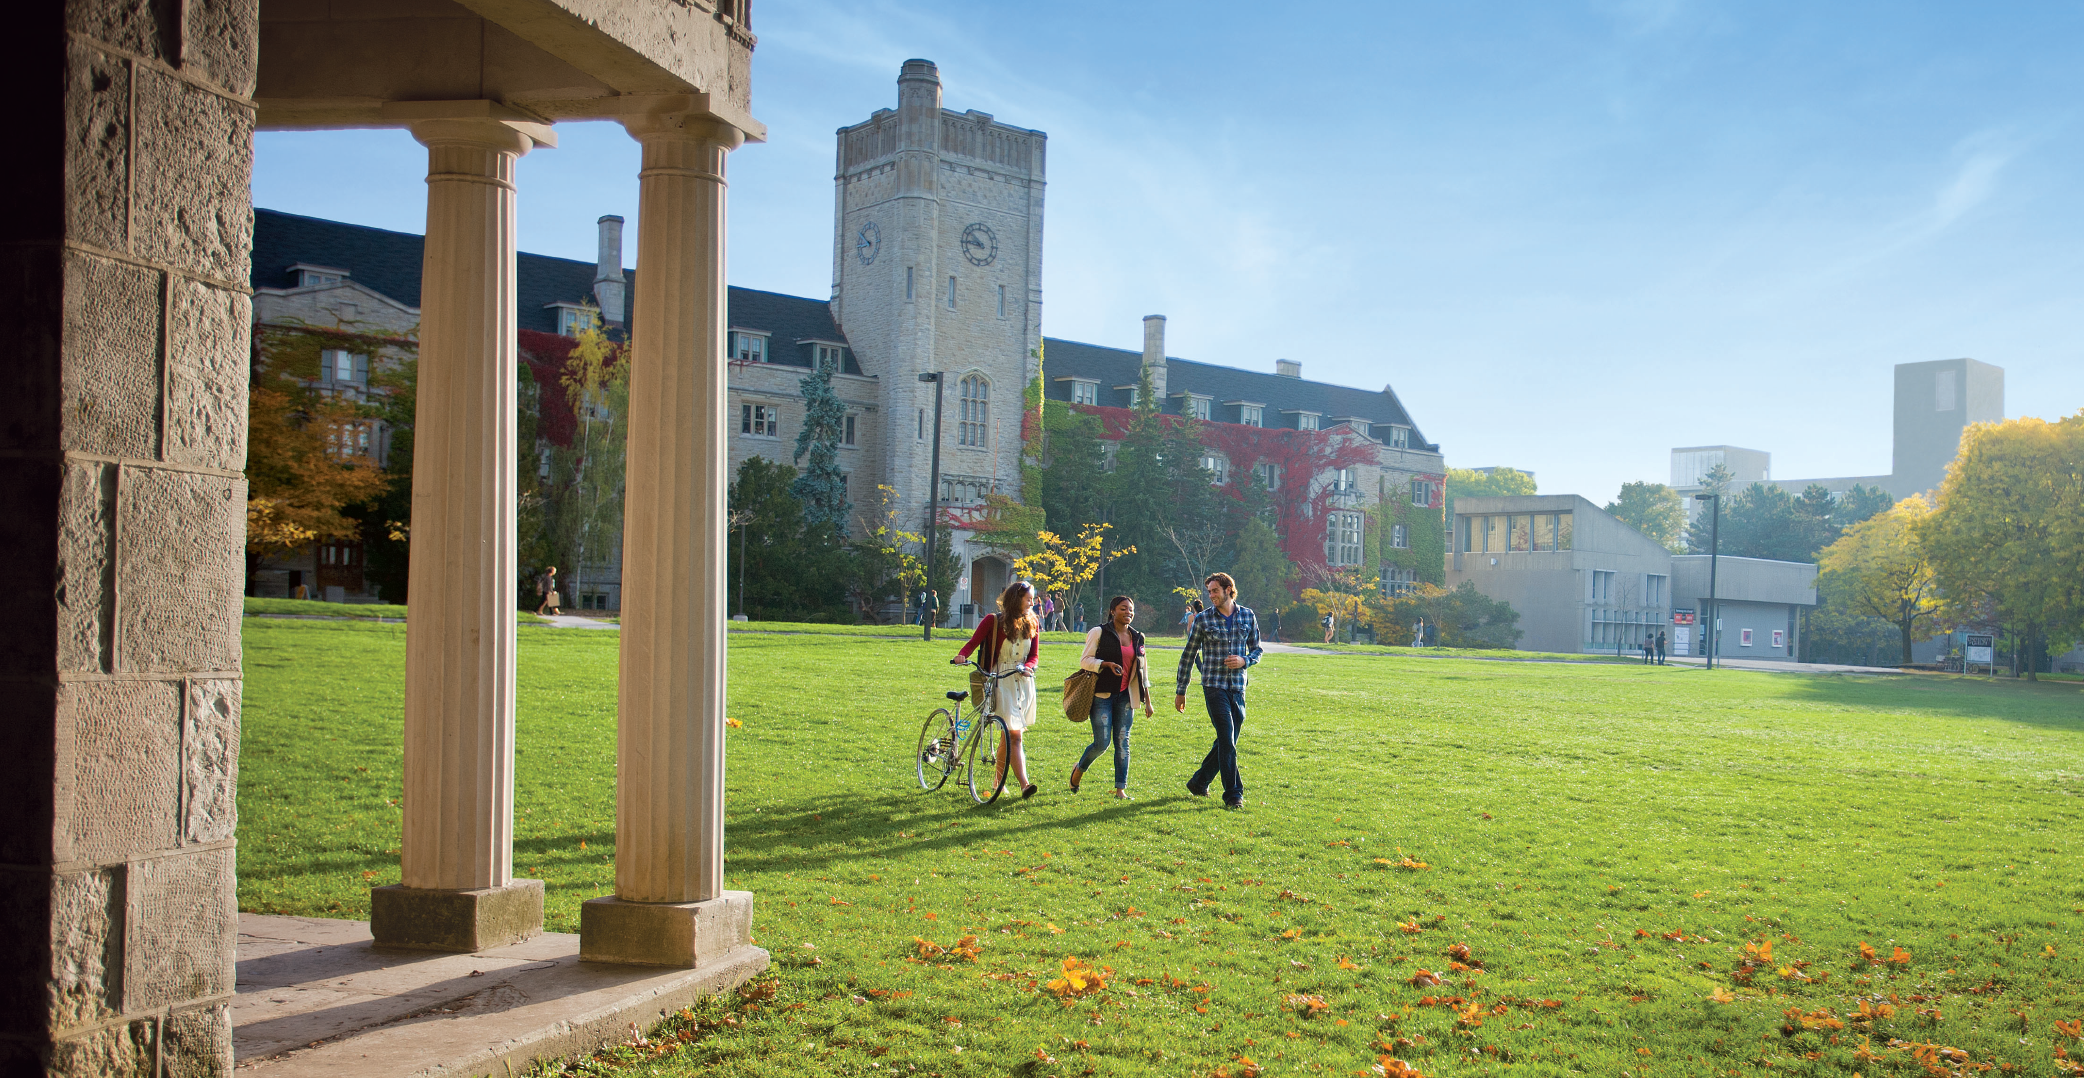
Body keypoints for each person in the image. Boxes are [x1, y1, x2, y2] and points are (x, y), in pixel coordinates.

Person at [1175, 572, 1262, 808]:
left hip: (1238, 687)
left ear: (1228, 590)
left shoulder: (1247, 615)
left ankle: (1199, 781)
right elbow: (1188, 654)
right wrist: (1181, 689)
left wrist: (1245, 661)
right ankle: (1234, 794)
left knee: (1228, 740)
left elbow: (1257, 650)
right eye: (1209, 591)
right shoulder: (1203, 619)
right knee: (1226, 736)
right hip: (1213, 686)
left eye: (1215, 590)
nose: (1211, 595)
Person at [952, 580, 1042, 800]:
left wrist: (1028, 667)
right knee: (1015, 734)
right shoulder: (994, 621)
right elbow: (973, 642)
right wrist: (962, 655)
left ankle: (997, 782)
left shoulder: (1033, 622)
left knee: (1009, 734)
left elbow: (1034, 656)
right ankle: (1024, 784)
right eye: (1028, 598)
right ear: (1015, 598)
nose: (1032, 603)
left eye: (1032, 599)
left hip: (1023, 682)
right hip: (1000, 680)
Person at [1072, 595, 1151, 799]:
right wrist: (1104, 664)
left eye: (1131, 609)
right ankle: (1079, 769)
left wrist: (1148, 701)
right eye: (1123, 609)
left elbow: (1142, 670)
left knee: (1123, 741)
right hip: (1102, 695)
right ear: (1112, 611)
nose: (1128, 613)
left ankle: (1120, 789)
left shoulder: (1138, 637)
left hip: (1126, 696)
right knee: (1102, 743)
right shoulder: (1099, 632)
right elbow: (1085, 660)